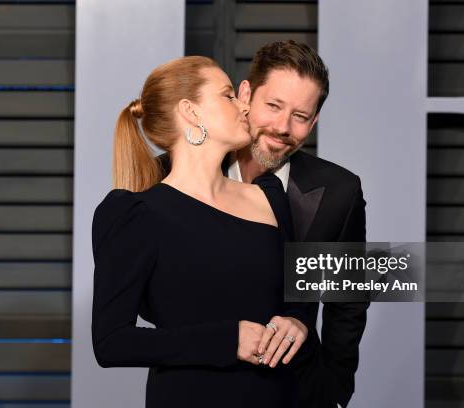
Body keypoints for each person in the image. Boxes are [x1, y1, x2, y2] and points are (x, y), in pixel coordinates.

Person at [91, 56, 312, 408]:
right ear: (191, 112)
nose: (244, 105)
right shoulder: (134, 214)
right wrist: (227, 340)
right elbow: (111, 342)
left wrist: (298, 323)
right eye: (228, 95)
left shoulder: (270, 195)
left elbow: (297, 299)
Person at [232, 40, 369, 408]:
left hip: (297, 391)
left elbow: (349, 298)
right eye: (273, 106)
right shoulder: (178, 174)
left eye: (300, 116)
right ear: (245, 94)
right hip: (196, 388)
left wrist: (335, 388)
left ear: (315, 120)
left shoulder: (341, 191)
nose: (282, 127)